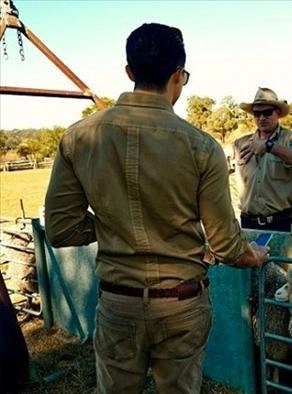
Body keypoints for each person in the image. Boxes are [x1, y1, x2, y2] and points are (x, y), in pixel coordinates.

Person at [44, 23, 269, 394]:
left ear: (130, 73)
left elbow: (61, 229)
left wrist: (114, 226)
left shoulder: (78, 137)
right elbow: (226, 246)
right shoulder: (202, 147)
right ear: (179, 75)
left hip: (118, 302)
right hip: (182, 304)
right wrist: (254, 256)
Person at [232, 87, 292, 232]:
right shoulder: (240, 144)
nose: (261, 118)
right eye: (257, 114)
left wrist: (270, 146)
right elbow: (217, 167)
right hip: (248, 223)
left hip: (281, 223)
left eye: (267, 112)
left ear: (278, 113)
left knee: (282, 256)